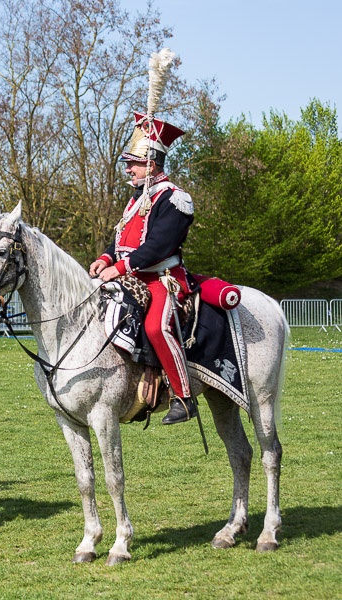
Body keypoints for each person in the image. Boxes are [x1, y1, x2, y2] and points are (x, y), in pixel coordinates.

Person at [88, 112, 196, 425]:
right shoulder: (137, 199)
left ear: (150, 165)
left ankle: (183, 396)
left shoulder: (174, 199)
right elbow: (122, 239)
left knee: (155, 328)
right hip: (130, 277)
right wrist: (106, 259)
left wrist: (120, 267)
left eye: (132, 163)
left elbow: (158, 247)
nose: (127, 169)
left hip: (163, 279)